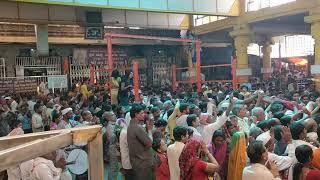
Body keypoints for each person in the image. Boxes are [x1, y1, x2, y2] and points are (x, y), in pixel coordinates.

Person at [127, 104, 153, 180]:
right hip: (142, 163)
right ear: (136, 114)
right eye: (142, 113)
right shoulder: (137, 127)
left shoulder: (131, 126)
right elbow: (149, 143)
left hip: (137, 162)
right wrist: (150, 130)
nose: (144, 115)